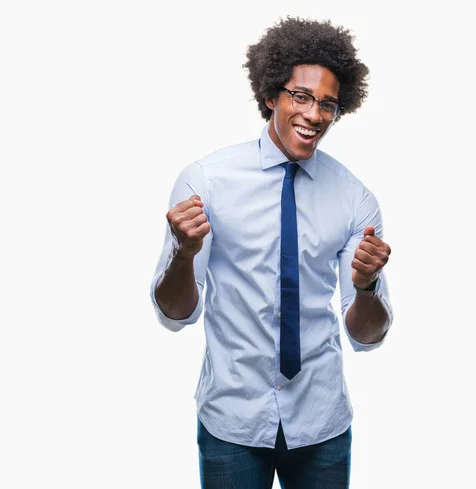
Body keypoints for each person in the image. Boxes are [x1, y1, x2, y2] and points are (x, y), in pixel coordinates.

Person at [150, 16, 393, 489]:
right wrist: (183, 254)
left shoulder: (354, 198)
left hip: (321, 421)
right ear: (270, 96)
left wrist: (368, 287)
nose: (314, 114)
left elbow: (366, 335)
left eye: (328, 104)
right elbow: (176, 315)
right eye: (300, 96)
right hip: (232, 420)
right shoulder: (206, 182)